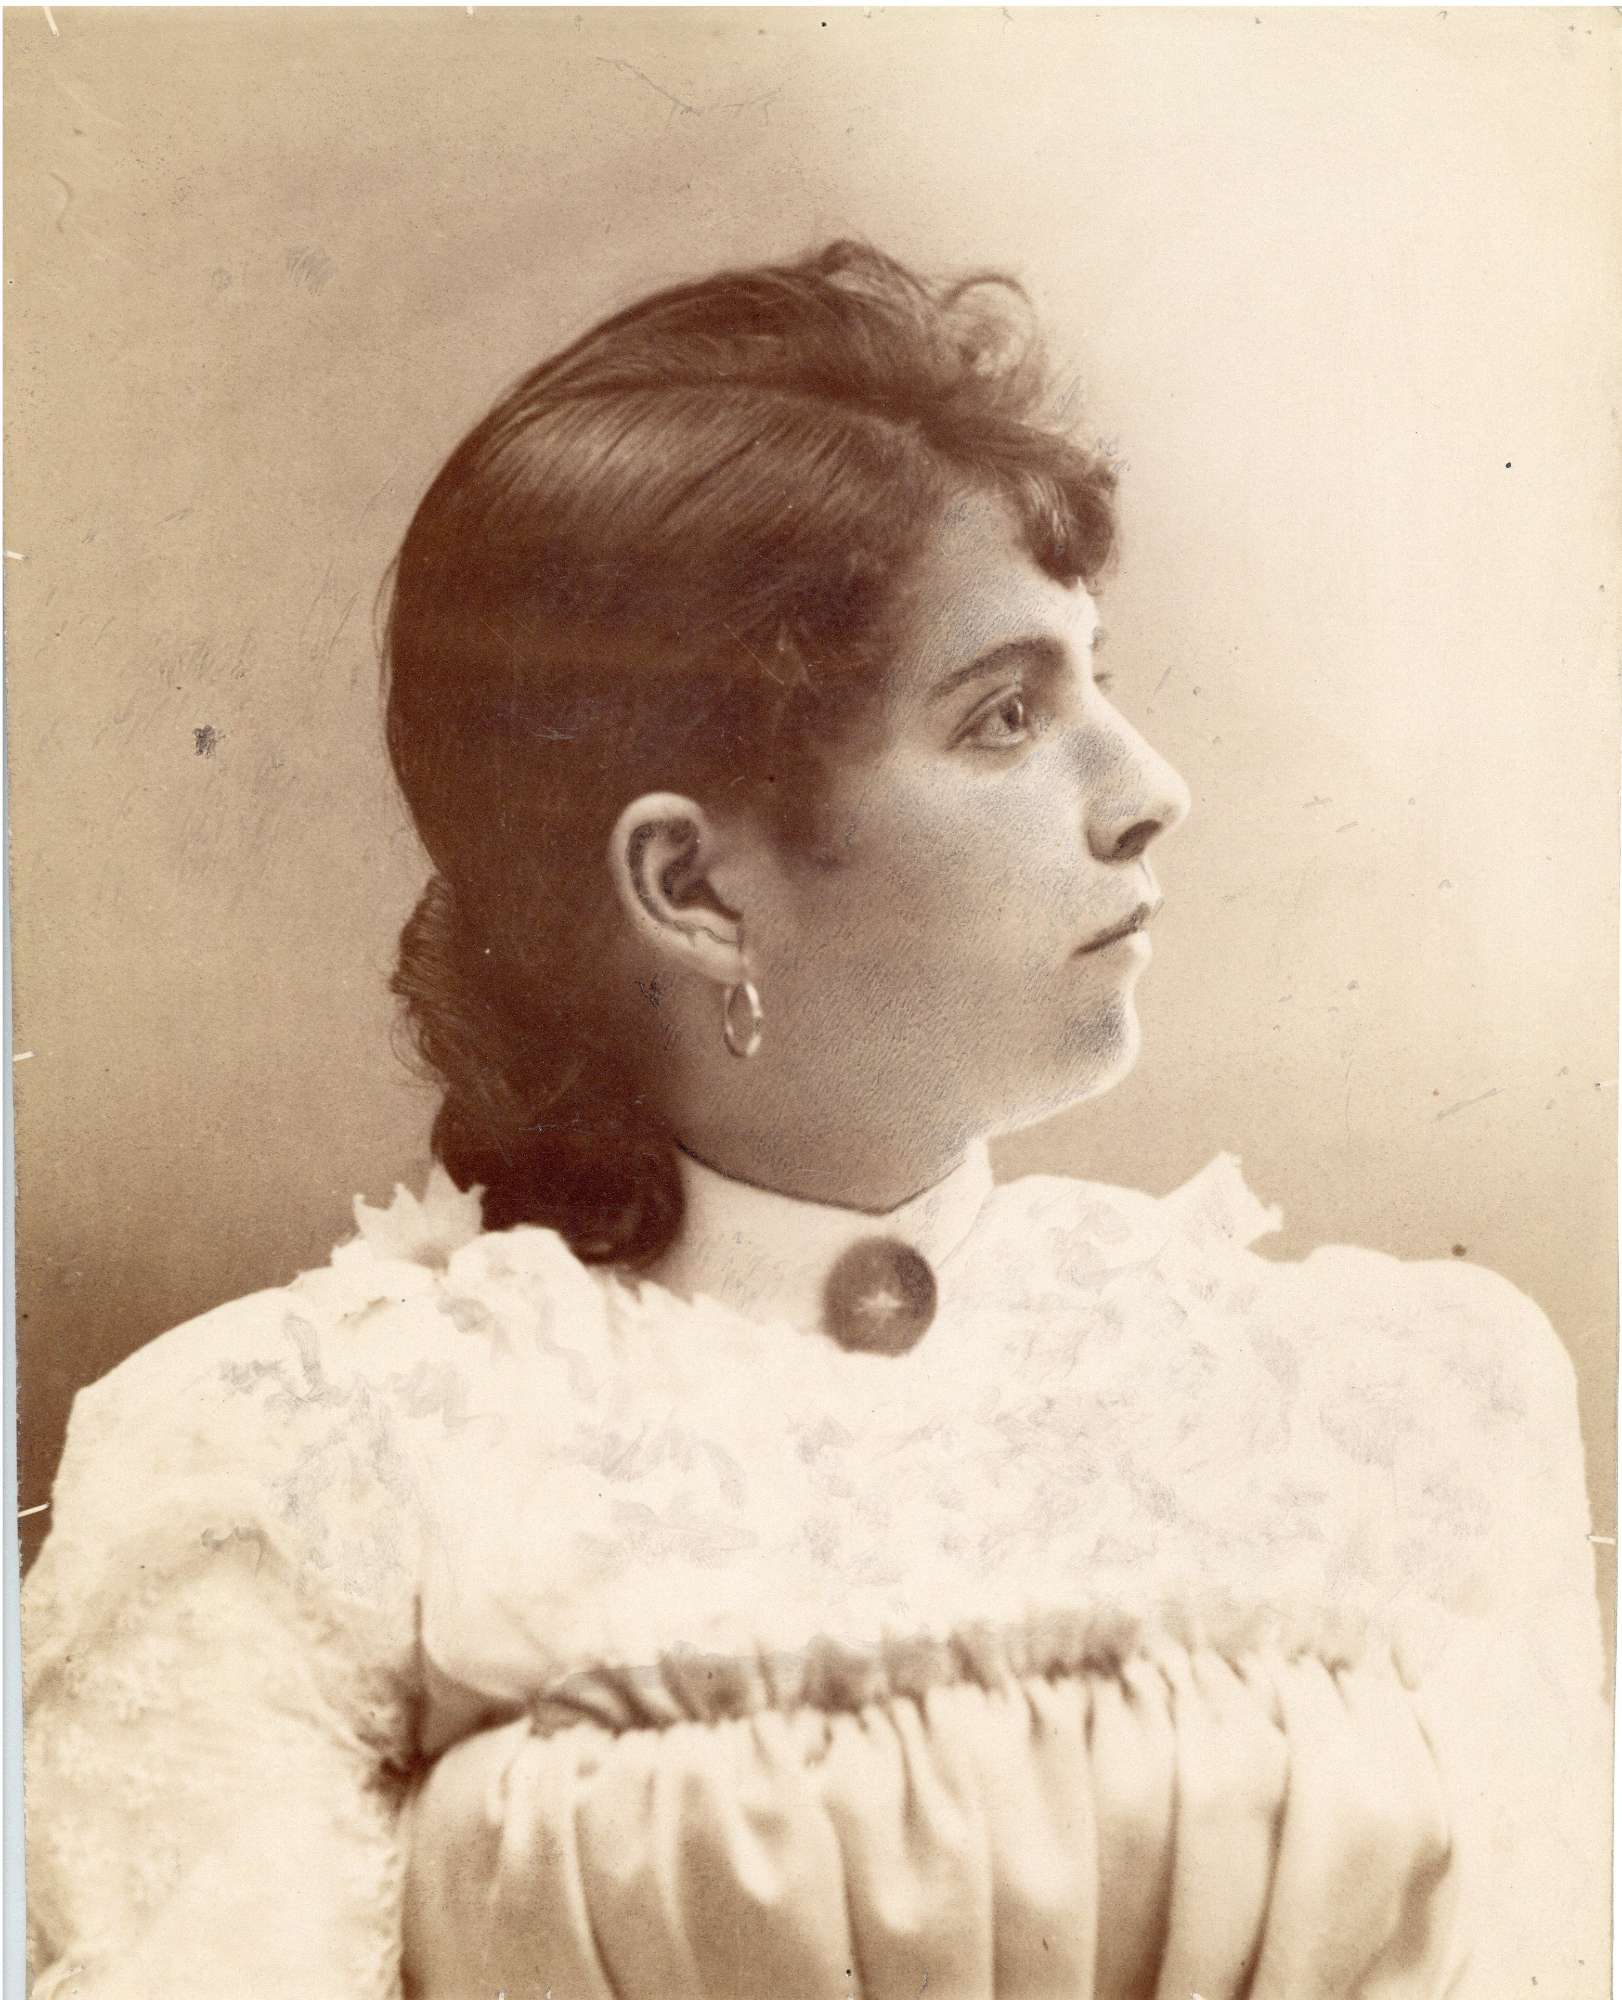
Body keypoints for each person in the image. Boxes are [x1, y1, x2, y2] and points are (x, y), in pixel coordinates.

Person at [22, 242, 1609, 1999]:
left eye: (1095, 681)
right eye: (1005, 716)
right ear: (693, 888)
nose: (1148, 789)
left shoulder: (1401, 1399)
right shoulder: (288, 1459)